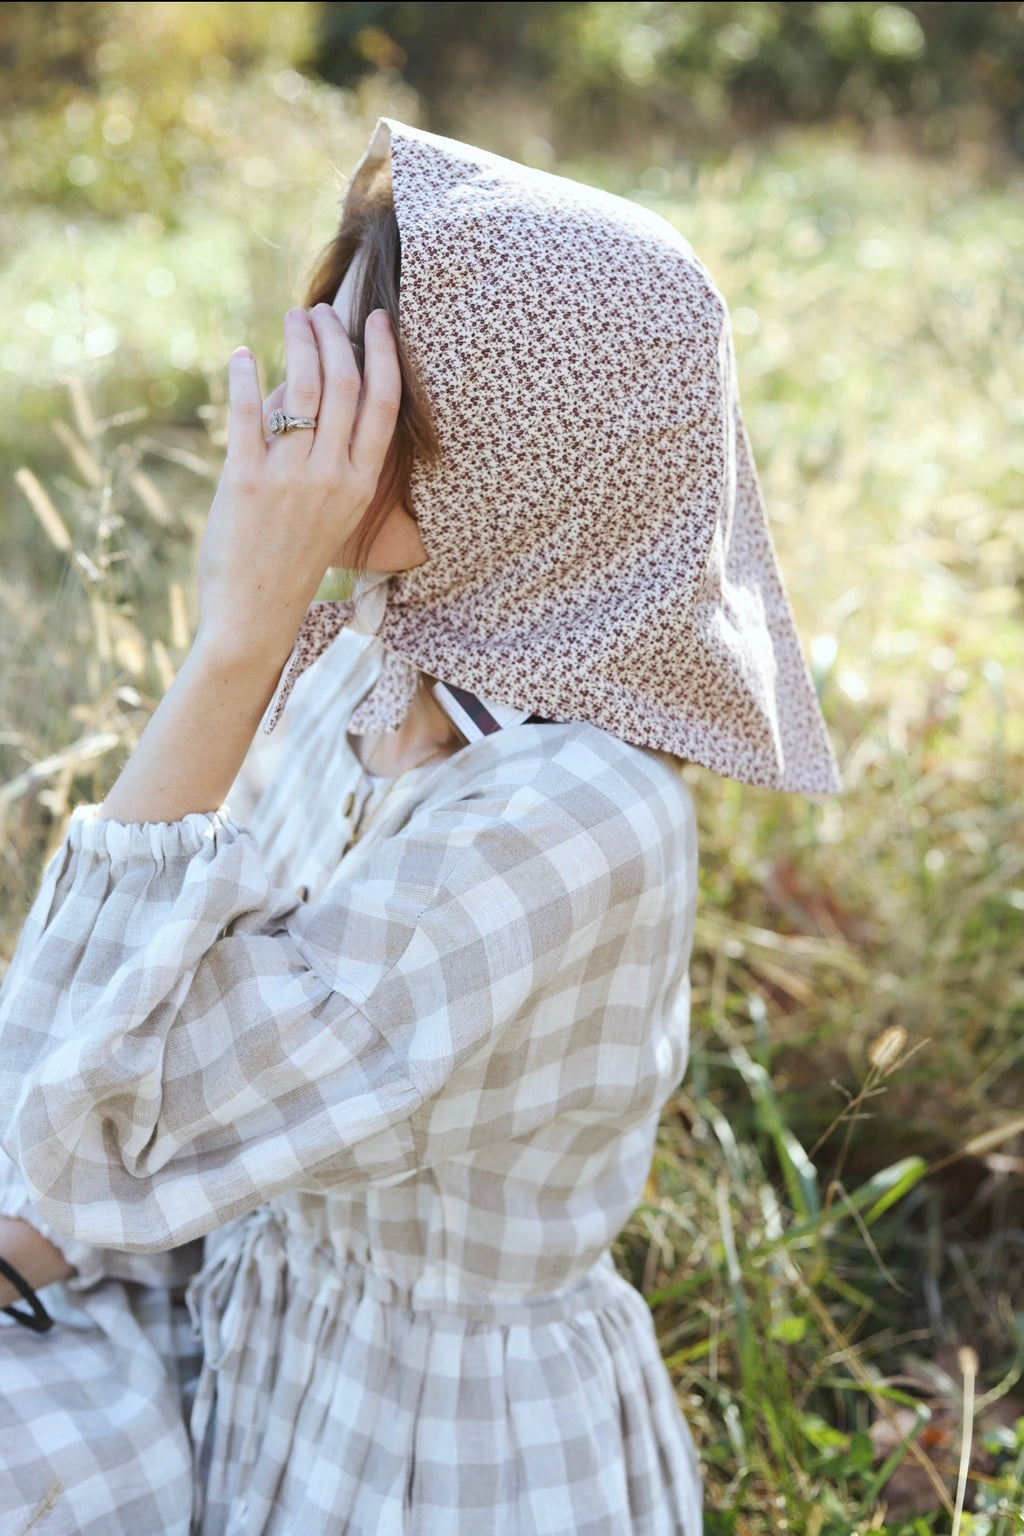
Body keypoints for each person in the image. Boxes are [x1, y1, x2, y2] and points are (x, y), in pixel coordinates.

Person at [0, 120, 840, 1535]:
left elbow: (104, 1110)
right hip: (261, 1350)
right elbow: (80, 1103)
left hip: (434, 1457)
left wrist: (234, 637)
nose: (296, 420)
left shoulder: (578, 811)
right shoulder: (371, 672)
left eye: (359, 381)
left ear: (520, 453)